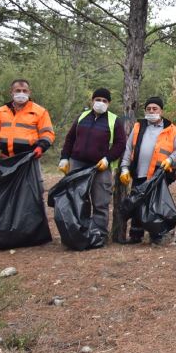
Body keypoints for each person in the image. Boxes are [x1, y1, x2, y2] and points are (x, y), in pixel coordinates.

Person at [58, 88, 127, 240]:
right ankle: (79, 232)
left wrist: (107, 159)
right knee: (78, 200)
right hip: (77, 164)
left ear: (109, 103)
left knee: (100, 202)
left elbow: (120, 144)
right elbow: (70, 139)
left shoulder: (114, 120)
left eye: (104, 101)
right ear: (92, 101)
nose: (100, 103)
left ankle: (99, 235)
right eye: (98, 99)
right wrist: (64, 158)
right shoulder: (82, 116)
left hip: (100, 167)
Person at [119, 97, 176, 244]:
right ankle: (135, 235)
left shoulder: (171, 129)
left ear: (161, 111)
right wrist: (124, 168)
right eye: (149, 109)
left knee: (156, 205)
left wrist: (170, 160)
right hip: (139, 172)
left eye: (155, 109)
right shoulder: (138, 127)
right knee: (137, 203)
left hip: (160, 175)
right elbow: (129, 149)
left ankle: (156, 235)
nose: (152, 111)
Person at [0, 78, 55, 169]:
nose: (21, 93)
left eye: (24, 91)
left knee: (30, 184)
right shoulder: (1, 111)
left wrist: (41, 147)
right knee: (5, 183)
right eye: (18, 90)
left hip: (28, 161)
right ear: (12, 92)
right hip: (5, 161)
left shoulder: (40, 111)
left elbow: (48, 134)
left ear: (29, 93)